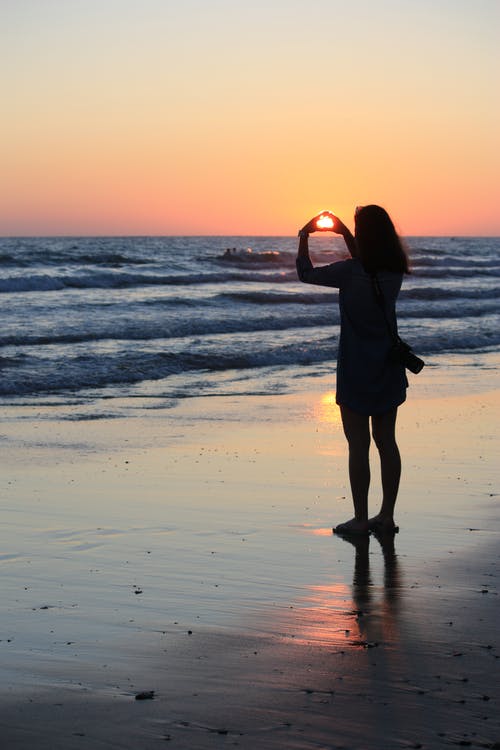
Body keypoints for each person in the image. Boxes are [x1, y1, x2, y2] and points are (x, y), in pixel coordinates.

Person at [296, 206, 410, 535]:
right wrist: (346, 233)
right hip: (388, 365)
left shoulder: (348, 272)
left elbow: (306, 272)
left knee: (357, 445)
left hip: (356, 368)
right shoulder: (394, 271)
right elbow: (368, 265)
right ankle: (386, 516)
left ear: (363, 236)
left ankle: (361, 519)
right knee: (386, 441)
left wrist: (304, 236)